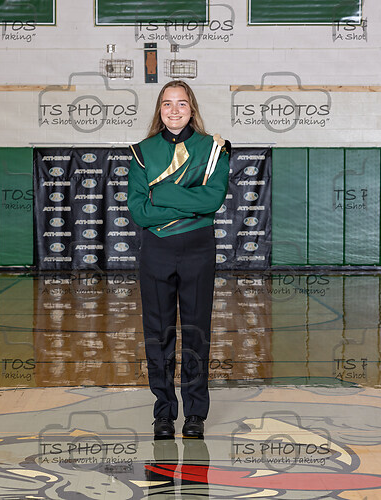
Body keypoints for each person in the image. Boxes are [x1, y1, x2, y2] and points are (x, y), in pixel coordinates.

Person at [127, 80, 230, 440]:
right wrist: (190, 204)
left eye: (181, 103)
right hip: (156, 250)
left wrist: (163, 194)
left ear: (192, 109)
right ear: (159, 110)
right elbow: (140, 211)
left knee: (197, 333)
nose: (174, 110)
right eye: (167, 103)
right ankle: (164, 413)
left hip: (198, 250)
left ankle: (195, 413)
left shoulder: (212, 149)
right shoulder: (142, 151)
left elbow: (212, 201)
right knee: (159, 335)